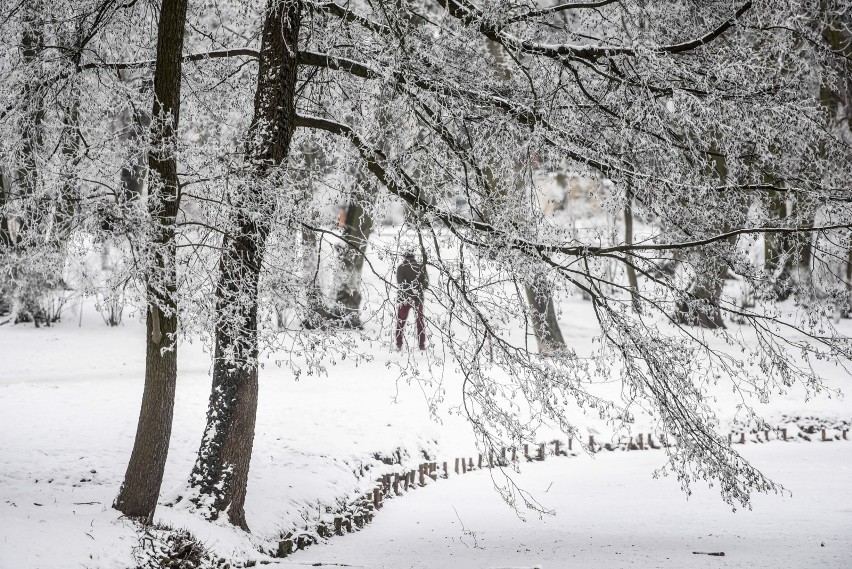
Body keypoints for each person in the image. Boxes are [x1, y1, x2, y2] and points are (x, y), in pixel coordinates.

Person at [395, 250, 428, 350]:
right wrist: (416, 291)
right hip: (418, 298)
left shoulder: (401, 268)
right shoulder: (421, 267)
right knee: (420, 322)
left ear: (404, 257)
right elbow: (425, 284)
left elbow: (400, 283)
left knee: (401, 321)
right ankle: (421, 345)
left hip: (404, 298)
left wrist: (409, 293)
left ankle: (399, 344)